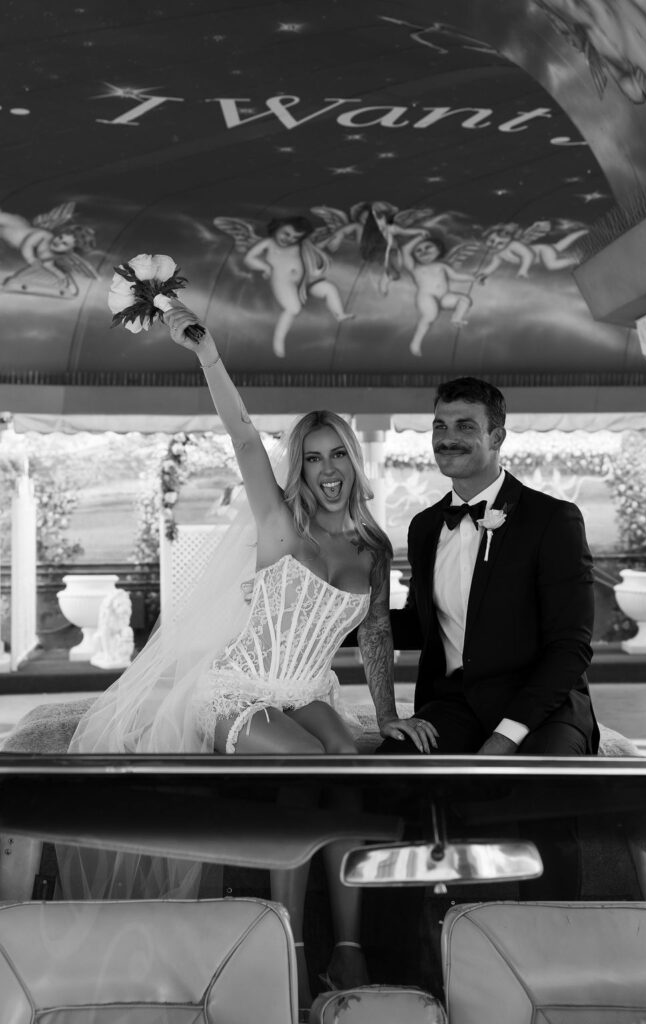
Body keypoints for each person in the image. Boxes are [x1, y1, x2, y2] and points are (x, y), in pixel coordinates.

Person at [67, 300, 428, 1006]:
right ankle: (289, 940)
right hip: (239, 688)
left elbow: (377, 633)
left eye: (337, 457)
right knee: (299, 763)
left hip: (308, 687)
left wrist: (386, 716)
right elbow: (240, 436)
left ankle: (346, 951)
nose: (326, 471)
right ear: (301, 466)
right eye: (313, 458)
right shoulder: (279, 522)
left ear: (353, 465)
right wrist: (206, 354)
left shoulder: (373, 548)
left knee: (351, 764)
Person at [380, 375, 599, 759]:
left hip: (543, 708)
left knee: (537, 788)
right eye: (440, 426)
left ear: (497, 437)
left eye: (465, 426)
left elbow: (571, 646)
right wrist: (333, 622)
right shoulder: (425, 527)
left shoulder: (553, 520)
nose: (447, 438)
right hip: (456, 703)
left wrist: (506, 737)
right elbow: (421, 624)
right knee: (393, 774)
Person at [243, 215, 352, 357]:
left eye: (295, 237)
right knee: (293, 308)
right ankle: (278, 339)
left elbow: (316, 247)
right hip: (283, 281)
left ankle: (339, 314)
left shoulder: (301, 245)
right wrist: (265, 267)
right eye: (286, 233)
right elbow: (249, 258)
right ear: (277, 227)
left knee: (328, 288)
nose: (289, 239)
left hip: (305, 281)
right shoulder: (269, 243)